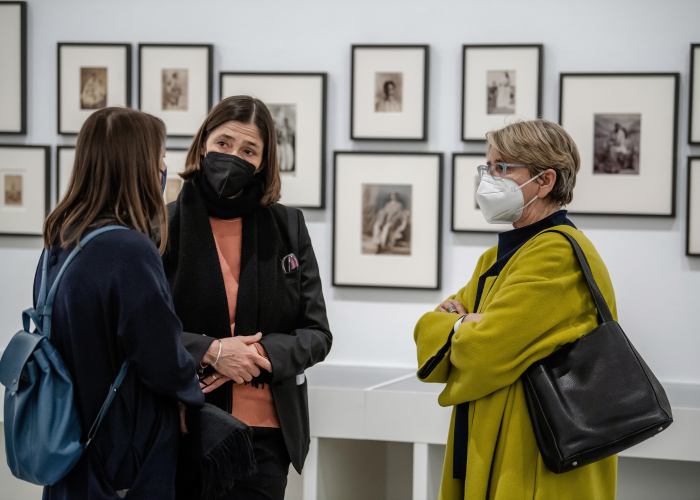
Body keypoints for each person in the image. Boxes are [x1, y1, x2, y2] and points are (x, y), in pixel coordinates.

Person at [414, 119, 617, 499]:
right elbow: (429, 327)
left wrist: (456, 328)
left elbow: (483, 351)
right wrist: (462, 324)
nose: (490, 179)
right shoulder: (501, 255)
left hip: (535, 448)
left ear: (545, 181)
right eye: (488, 167)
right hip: (500, 435)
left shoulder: (556, 253)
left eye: (503, 168)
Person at [164, 95, 332, 500]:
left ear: (264, 160)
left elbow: (317, 333)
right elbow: (145, 329)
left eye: (248, 150)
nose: (233, 156)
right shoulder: (163, 224)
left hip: (266, 439)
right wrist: (212, 350)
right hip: (185, 430)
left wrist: (258, 357)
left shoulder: (287, 225)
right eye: (223, 143)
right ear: (203, 143)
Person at [39, 107, 204, 499]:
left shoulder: (60, 240)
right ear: (138, 165)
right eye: (161, 155)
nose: (165, 166)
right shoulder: (128, 250)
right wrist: (191, 389)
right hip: (123, 452)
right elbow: (159, 354)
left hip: (69, 444)